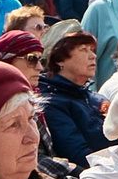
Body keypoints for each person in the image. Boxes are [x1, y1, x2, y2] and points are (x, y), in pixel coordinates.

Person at [35, 30, 109, 167]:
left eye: (92, 50)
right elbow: (78, 154)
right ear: (60, 60)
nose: (93, 56)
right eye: (83, 50)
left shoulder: (96, 98)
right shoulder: (52, 102)